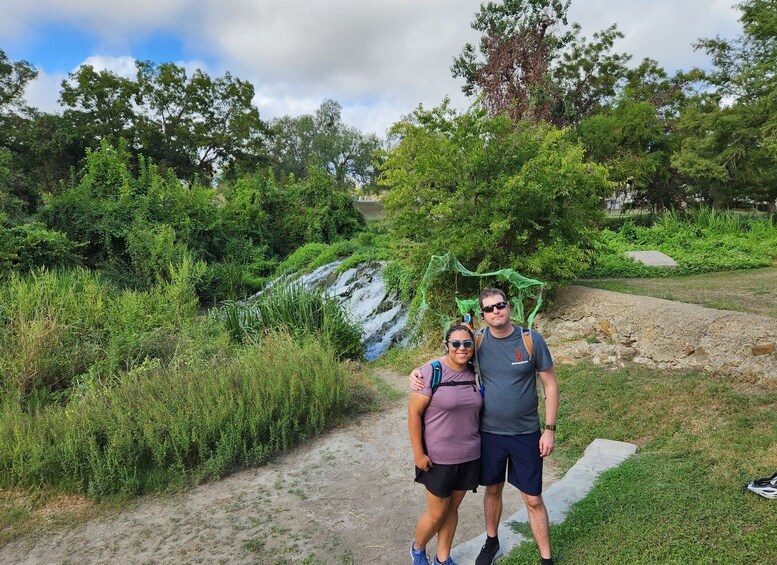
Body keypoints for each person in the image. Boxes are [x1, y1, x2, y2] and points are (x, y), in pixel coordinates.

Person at [410, 288, 559, 565]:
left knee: (533, 498)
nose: (495, 311)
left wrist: (549, 429)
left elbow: (549, 383)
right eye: (488, 309)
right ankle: (491, 542)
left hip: (526, 433)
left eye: (499, 305)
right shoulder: (477, 341)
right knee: (492, 489)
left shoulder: (530, 340)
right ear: (482, 315)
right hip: (488, 434)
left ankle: (546, 558)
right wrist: (419, 371)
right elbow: (453, 354)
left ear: (509, 306)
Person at [408, 324, 483, 565]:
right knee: (436, 513)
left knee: (452, 509)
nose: (462, 348)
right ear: (446, 345)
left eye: (467, 344)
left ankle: (443, 558)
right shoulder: (432, 371)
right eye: (456, 344)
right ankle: (418, 549)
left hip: (470, 455)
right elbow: (413, 414)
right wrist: (418, 454)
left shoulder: (476, 373)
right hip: (438, 459)